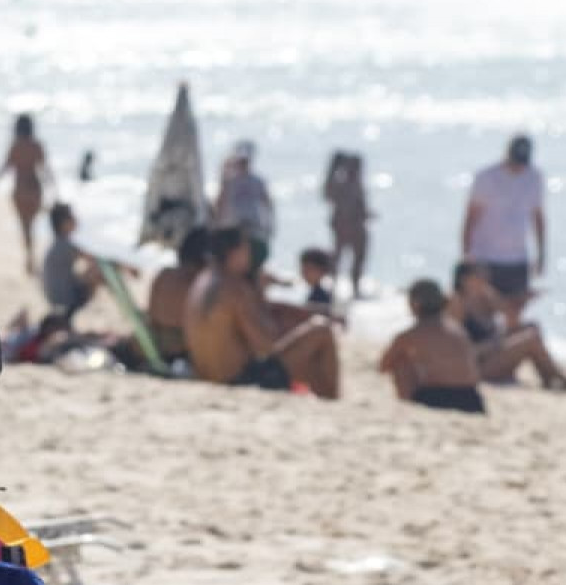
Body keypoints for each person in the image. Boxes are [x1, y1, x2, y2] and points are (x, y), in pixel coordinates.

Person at [185, 228, 340, 398]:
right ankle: (333, 400)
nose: (249, 256)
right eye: (246, 250)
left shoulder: (203, 280)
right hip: (238, 379)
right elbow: (265, 345)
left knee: (305, 359)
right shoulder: (234, 287)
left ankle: (329, 399)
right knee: (321, 329)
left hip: (206, 373)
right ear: (235, 253)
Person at [450, 261, 566, 392]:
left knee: (532, 328)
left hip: (492, 350)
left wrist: (522, 299)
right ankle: (559, 379)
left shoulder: (483, 298)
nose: (485, 278)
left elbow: (510, 314)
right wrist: (490, 345)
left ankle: (550, 377)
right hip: (478, 365)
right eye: (479, 274)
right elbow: (457, 349)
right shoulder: (457, 304)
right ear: (465, 279)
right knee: (530, 339)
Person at [462, 133, 545, 329]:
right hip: (486, 257)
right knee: (483, 314)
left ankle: (508, 356)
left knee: (514, 315)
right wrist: (468, 256)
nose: (518, 166)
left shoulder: (534, 178)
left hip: (517, 258)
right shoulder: (486, 177)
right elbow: (470, 218)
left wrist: (541, 254)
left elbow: (538, 217)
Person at [379, 279, 485, 414]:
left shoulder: (411, 334)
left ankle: (407, 408)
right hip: (473, 399)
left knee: (401, 362)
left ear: (415, 304)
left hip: (439, 398)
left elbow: (383, 366)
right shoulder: (457, 329)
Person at [0, 114, 52, 275]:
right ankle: (31, 257)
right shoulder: (36, 146)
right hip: (35, 189)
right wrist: (54, 188)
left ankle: (29, 257)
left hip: (19, 191)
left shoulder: (15, 146)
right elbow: (45, 169)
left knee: (25, 226)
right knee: (32, 224)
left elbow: (5, 167)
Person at [146, 226, 210, 365]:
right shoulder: (198, 284)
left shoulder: (164, 275)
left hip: (156, 345)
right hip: (181, 353)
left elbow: (151, 315)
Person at [214, 140, 274, 266]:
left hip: (253, 227)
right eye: (240, 161)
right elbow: (220, 204)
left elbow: (268, 205)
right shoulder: (229, 181)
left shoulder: (258, 181)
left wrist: (269, 227)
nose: (242, 164)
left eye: (245, 161)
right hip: (233, 228)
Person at [323, 150, 370, 298]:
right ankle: (332, 286)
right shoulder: (340, 184)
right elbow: (327, 194)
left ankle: (354, 287)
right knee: (337, 259)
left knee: (358, 260)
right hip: (343, 229)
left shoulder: (357, 184)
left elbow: (361, 208)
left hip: (357, 228)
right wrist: (333, 167)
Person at [41, 203, 98, 324]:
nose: (76, 220)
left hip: (55, 297)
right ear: (64, 224)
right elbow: (94, 259)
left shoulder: (57, 244)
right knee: (98, 272)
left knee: (92, 271)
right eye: (72, 217)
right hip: (65, 300)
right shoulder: (65, 245)